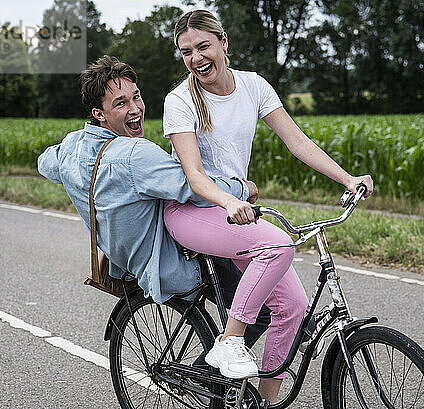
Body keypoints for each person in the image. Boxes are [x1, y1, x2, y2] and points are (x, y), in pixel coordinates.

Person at [162, 10, 374, 403]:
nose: (196, 58)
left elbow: (298, 142)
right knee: (279, 244)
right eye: (186, 52)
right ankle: (229, 341)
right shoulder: (180, 100)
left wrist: (348, 179)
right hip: (191, 211)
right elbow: (194, 177)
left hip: (232, 209)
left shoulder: (253, 86)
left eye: (203, 46)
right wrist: (231, 199)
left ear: (224, 42)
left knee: (293, 309)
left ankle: (266, 401)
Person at [37, 56, 271, 348]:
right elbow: (195, 187)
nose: (135, 109)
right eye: (120, 103)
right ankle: (210, 377)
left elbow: (44, 162)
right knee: (262, 311)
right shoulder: (135, 155)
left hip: (124, 261)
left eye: (136, 96)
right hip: (170, 262)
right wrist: (241, 187)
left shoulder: (72, 147)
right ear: (100, 114)